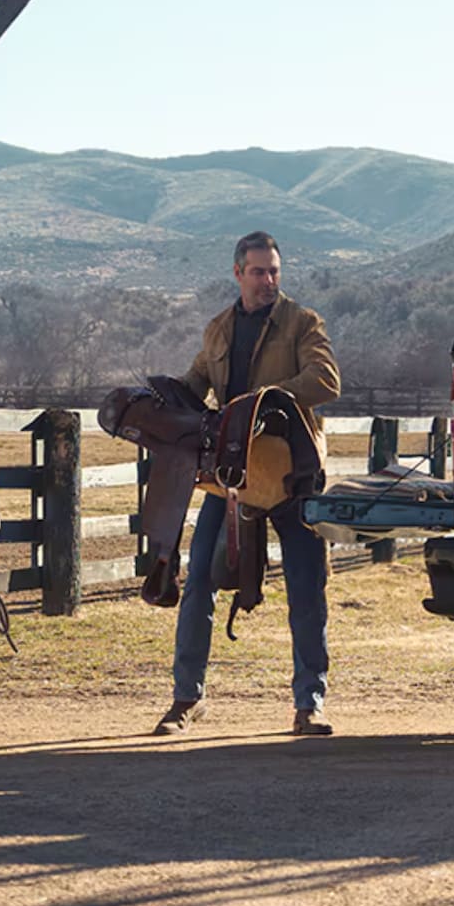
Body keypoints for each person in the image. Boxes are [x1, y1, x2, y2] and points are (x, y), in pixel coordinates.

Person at [155, 230, 342, 737]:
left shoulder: (303, 322)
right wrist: (165, 398)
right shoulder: (218, 330)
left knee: (307, 587)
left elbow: (326, 379)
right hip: (232, 476)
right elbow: (198, 383)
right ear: (238, 273)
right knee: (198, 585)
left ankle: (311, 702)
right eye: (258, 271)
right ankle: (186, 698)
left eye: (274, 271)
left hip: (290, 473)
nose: (268, 281)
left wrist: (267, 399)